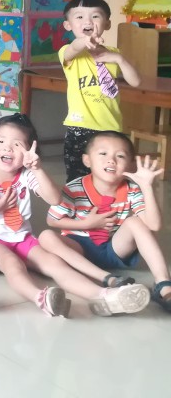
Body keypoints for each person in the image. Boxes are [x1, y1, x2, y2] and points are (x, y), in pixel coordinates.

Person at [0, 114, 149, 318]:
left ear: (30, 150)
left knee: (54, 264)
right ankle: (40, 298)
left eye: (17, 144)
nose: (8, 148)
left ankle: (105, 295)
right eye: (0, 141)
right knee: (12, 264)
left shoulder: (27, 173)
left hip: (21, 236)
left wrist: (37, 169)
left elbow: (54, 199)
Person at [42, 130, 171, 312]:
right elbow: (53, 221)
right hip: (79, 250)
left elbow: (154, 225)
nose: (111, 160)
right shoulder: (74, 189)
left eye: (120, 156)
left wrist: (147, 187)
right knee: (46, 236)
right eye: (103, 153)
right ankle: (107, 278)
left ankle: (163, 285)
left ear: (130, 164)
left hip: (113, 248)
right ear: (87, 160)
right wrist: (86, 224)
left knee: (135, 222)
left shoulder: (132, 188)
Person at [58, 0, 141, 181]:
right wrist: (85, 41)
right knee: (77, 179)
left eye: (95, 16)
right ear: (68, 25)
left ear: (107, 24)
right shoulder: (68, 53)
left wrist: (119, 59)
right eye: (79, 17)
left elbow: (136, 82)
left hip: (111, 127)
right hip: (80, 128)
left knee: (111, 177)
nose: (88, 21)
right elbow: (74, 47)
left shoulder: (115, 54)